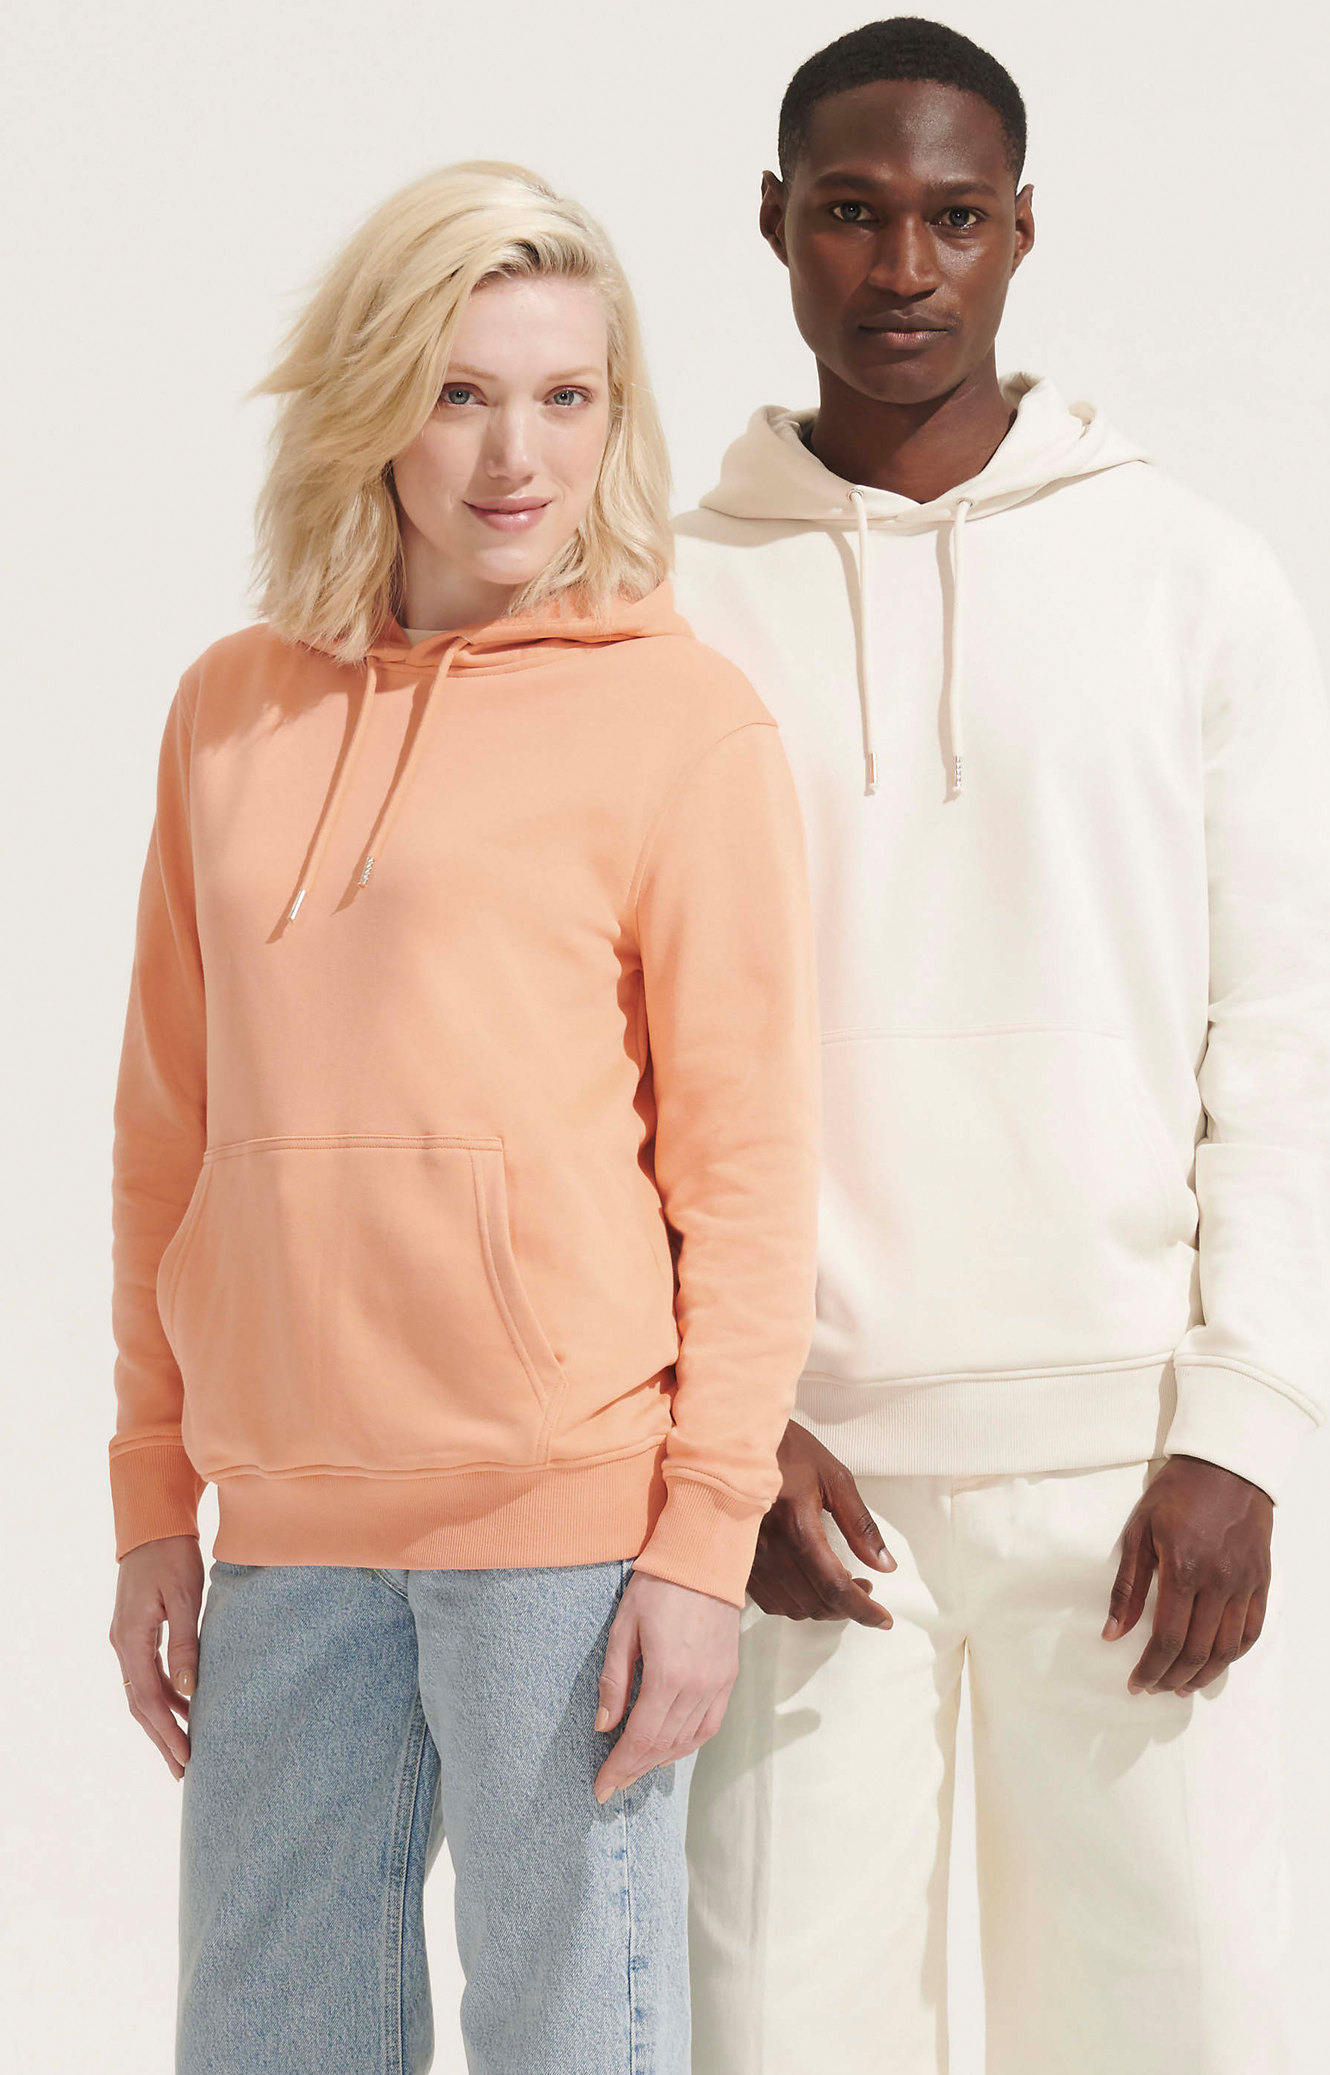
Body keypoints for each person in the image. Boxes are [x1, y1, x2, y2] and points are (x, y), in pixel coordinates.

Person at [671, 18, 1330, 2074]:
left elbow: (1290, 1026)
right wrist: (712, 1424)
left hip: (1132, 1480)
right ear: (774, 224)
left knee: (1175, 2037)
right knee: (774, 2044)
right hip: (799, 1492)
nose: (905, 269)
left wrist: (1243, 1425)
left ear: (1024, 230)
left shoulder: (1193, 580)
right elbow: (592, 1052)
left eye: (954, 219)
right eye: (853, 213)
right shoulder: (663, 598)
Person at [105, 159, 820, 2075]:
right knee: (265, 2044)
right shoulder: (228, 712)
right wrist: (151, 1495)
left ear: (615, 412)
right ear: (373, 406)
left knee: (573, 2042)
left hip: (559, 1525)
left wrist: (701, 1543)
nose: (519, 456)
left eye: (566, 397)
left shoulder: (680, 724)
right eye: (459, 393)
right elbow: (166, 1136)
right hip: (286, 1518)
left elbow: (749, 1173)